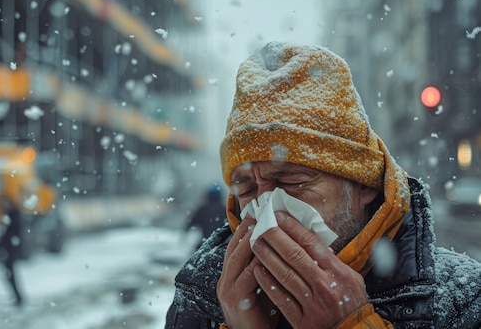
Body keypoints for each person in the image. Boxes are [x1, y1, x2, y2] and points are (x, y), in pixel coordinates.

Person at [164, 41, 481, 328]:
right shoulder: (202, 297)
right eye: (246, 189)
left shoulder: (460, 301)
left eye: (290, 180)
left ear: (363, 184)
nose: (265, 209)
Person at [186, 184, 227, 248]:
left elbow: (190, 223)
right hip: (221, 245)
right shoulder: (225, 210)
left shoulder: (202, 209)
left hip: (205, 243)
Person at [0, 197, 24, 306]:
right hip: (10, 250)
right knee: (9, 275)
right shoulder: (11, 215)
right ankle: (17, 297)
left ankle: (18, 298)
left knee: (10, 275)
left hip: (10, 250)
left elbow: (12, 234)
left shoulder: (13, 216)